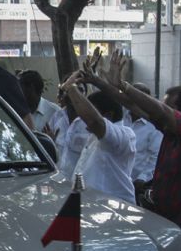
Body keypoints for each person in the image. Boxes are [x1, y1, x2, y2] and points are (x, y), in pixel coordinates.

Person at [97, 50, 181, 241]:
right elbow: (133, 106)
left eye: (169, 107)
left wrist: (124, 85)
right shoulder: (172, 131)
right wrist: (97, 82)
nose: (163, 111)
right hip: (173, 222)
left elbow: (159, 112)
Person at [57, 68, 136, 203]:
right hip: (92, 208)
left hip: (115, 211)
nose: (84, 121)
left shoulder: (124, 135)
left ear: (108, 116)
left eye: (87, 115)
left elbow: (94, 121)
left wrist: (71, 87)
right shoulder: (94, 136)